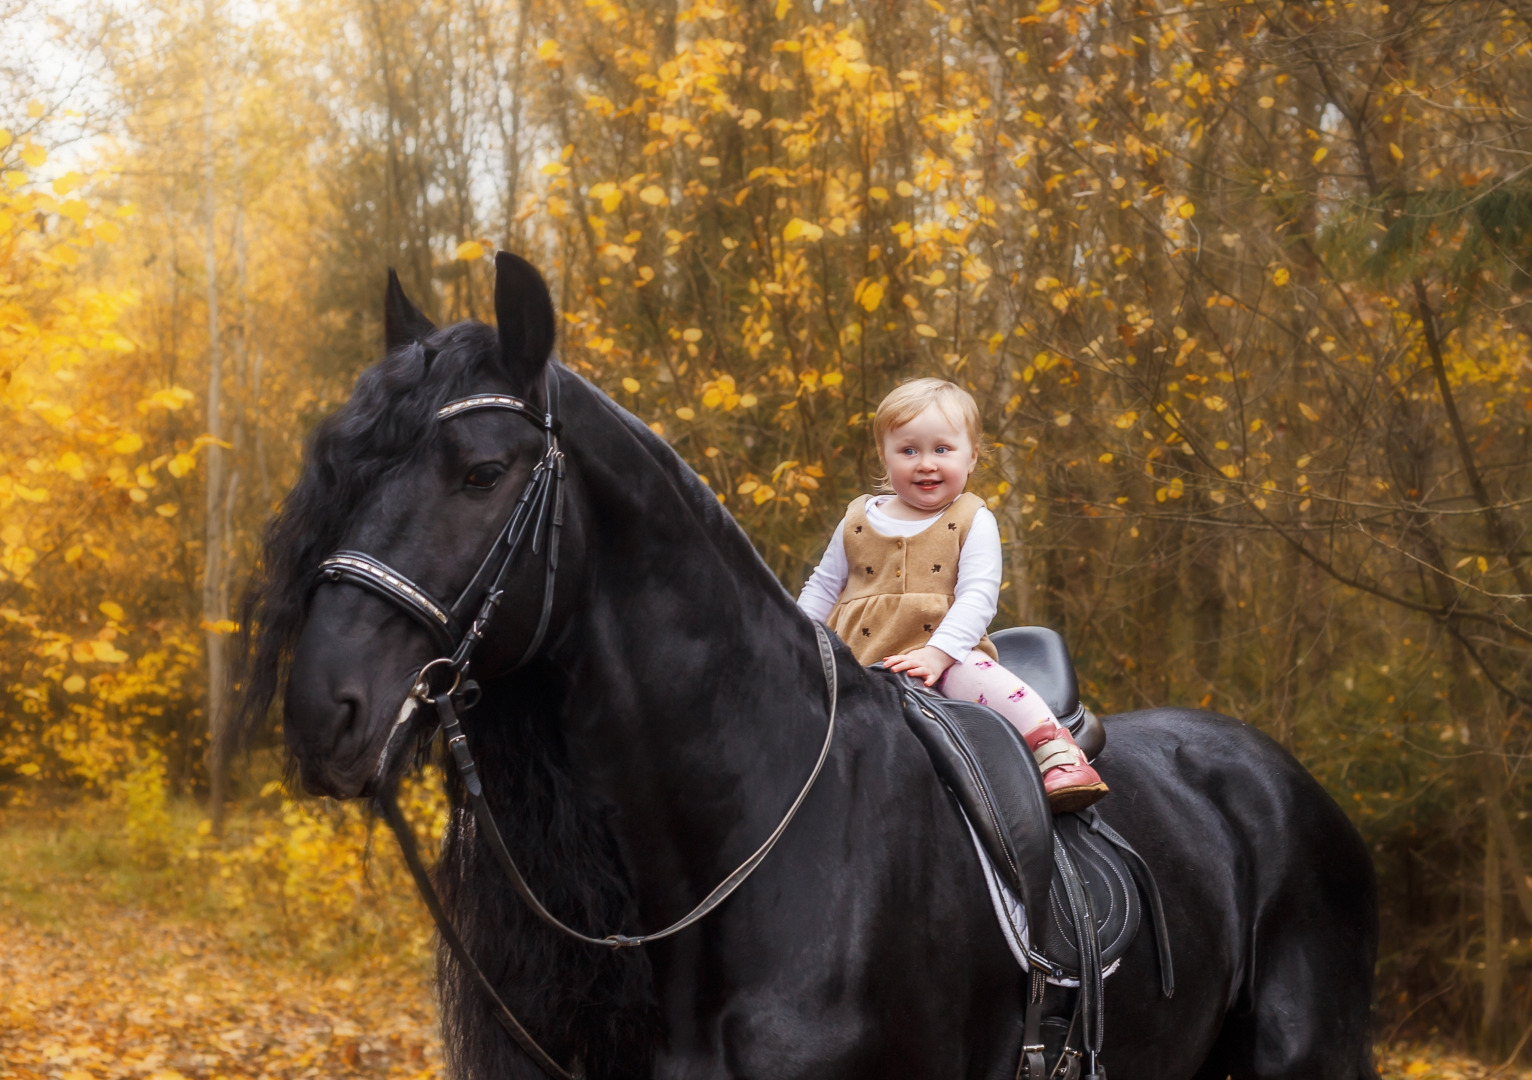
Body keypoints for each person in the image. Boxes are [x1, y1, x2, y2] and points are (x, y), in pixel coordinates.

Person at [798, 378, 1107, 813]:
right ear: (884, 456)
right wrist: (796, 639)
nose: (926, 463)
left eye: (942, 449)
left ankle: (1053, 751)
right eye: (909, 451)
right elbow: (822, 586)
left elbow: (978, 597)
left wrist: (938, 653)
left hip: (943, 652)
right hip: (858, 655)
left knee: (982, 679)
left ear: (972, 455)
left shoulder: (971, 519)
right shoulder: (856, 519)